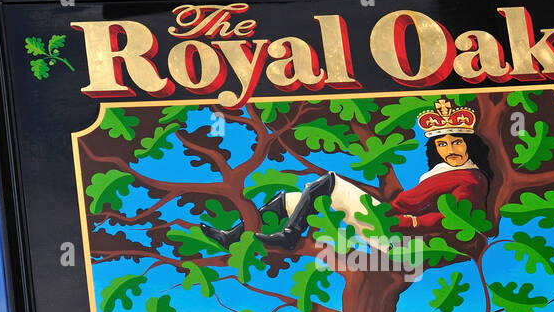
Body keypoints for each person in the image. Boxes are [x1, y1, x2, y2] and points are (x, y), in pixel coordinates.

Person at [201, 97, 492, 250]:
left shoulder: (471, 178)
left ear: (469, 145)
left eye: (457, 142)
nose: (450, 149)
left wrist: (405, 223)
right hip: (388, 222)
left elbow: (455, 219)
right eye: (443, 144)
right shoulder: (441, 172)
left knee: (327, 183)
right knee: (288, 199)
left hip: (400, 236)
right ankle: (233, 236)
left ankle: (289, 235)